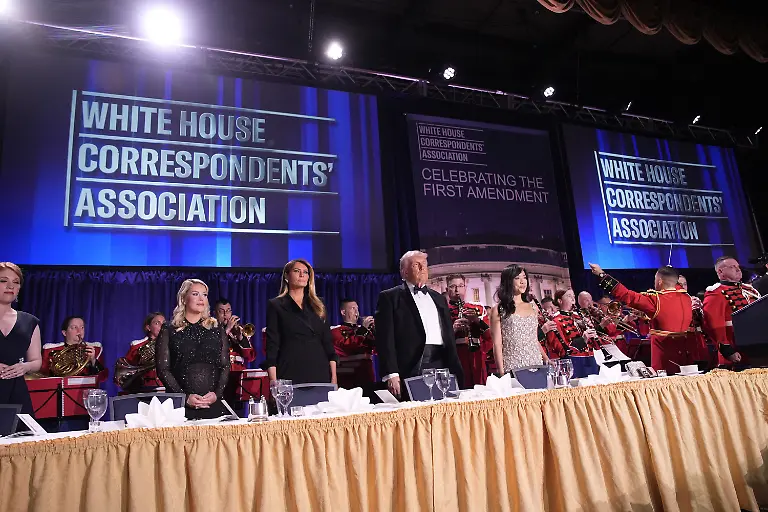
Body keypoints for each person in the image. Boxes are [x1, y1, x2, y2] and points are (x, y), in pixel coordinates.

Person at [374, 250, 464, 399]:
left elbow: (447, 335)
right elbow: (385, 339)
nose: (423, 269)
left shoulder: (439, 298)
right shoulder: (390, 297)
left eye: (425, 265)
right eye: (417, 265)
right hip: (412, 364)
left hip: (442, 362)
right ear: (404, 272)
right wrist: (391, 373)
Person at [589, 263, 704, 374]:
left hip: (664, 363)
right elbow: (674, 283)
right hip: (686, 359)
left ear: (660, 281)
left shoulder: (656, 300)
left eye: (655, 280)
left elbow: (626, 294)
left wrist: (601, 275)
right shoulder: (686, 297)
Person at [155, 279, 230, 420]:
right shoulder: (169, 329)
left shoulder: (216, 329)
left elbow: (225, 365)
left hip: (212, 405)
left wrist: (216, 394)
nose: (201, 299)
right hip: (180, 408)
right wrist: (184, 397)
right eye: (195, 294)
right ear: (184, 298)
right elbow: (163, 369)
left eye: (205, 295)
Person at [264, 259, 339, 385]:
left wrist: (334, 377)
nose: (302, 275)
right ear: (287, 276)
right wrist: (273, 381)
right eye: (297, 271)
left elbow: (328, 345)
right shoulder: (276, 305)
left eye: (305, 272)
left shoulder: (319, 305)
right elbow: (272, 346)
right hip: (290, 372)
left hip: (319, 372)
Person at [488, 265, 549, 374]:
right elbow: (497, 343)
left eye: (524, 277)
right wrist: (501, 372)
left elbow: (533, 339)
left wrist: (546, 359)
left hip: (535, 362)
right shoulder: (498, 309)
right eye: (517, 278)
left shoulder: (533, 307)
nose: (522, 282)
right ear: (508, 281)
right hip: (513, 366)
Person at [702, 256, 760, 367]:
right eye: (733, 267)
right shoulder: (716, 292)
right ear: (720, 271)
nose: (738, 269)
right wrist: (727, 349)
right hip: (736, 349)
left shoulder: (750, 290)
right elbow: (713, 324)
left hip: (759, 345)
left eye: (738, 266)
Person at [0, 262, 42, 416]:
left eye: (16, 282)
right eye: (3, 280)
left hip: (17, 396)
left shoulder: (29, 322)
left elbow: (36, 361)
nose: (10, 286)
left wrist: (24, 367)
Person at [446, 274, 493, 387]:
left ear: (465, 288)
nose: (457, 290)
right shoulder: (443, 310)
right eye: (453, 286)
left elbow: (489, 336)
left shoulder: (478, 309)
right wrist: (453, 330)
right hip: (456, 356)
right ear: (447, 290)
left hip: (477, 356)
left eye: (461, 286)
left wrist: (477, 321)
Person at [545, 289, 600, 378]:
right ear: (560, 301)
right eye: (569, 296)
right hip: (574, 364)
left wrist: (594, 335)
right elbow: (562, 351)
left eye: (573, 296)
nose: (573, 299)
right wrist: (583, 339)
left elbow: (596, 346)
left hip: (591, 361)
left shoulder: (581, 318)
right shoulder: (556, 322)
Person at [41, 316, 108, 382]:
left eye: (82, 327)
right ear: (64, 333)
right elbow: (42, 376)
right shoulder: (50, 350)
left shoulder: (94, 349)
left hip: (86, 390)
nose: (79, 331)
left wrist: (93, 361)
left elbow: (103, 378)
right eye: (74, 327)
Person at [115, 312, 165, 392]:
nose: (162, 326)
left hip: (166, 388)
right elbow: (125, 373)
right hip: (145, 390)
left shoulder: (172, 344)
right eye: (157, 323)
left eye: (164, 323)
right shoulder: (137, 346)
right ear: (148, 327)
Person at [214, 299, 256, 372]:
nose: (225, 314)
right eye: (221, 311)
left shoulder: (238, 330)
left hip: (239, 373)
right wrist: (227, 329)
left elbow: (251, 357)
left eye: (228, 311)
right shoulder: (210, 330)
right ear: (214, 313)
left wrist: (241, 337)